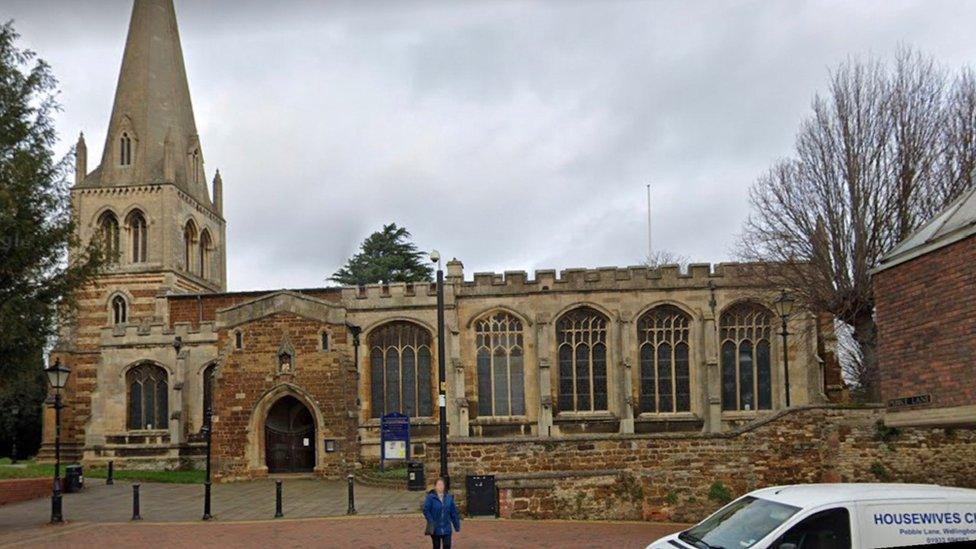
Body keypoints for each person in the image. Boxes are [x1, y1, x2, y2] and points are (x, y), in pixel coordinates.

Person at [422, 477, 461, 548]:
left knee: (447, 545)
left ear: (444, 486)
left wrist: (456, 525)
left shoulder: (449, 498)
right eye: (438, 485)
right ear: (435, 486)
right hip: (435, 528)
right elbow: (426, 510)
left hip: (446, 527)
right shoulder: (430, 498)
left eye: (442, 485)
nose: (440, 487)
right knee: (436, 546)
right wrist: (431, 520)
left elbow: (453, 512)